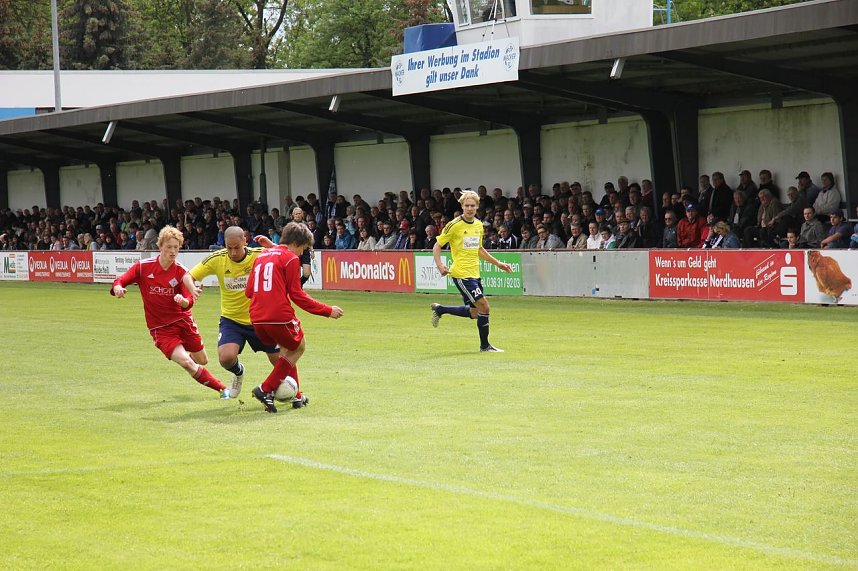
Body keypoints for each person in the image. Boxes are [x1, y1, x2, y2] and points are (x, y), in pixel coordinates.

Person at [111, 226, 231, 399]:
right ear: (160, 246)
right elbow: (121, 280)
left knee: (202, 360)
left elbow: (189, 300)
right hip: (160, 328)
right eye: (169, 247)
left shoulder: (181, 272)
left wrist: (185, 301)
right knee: (187, 362)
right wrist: (118, 288)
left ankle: (186, 355)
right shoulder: (144, 267)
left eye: (176, 247)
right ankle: (222, 388)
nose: (173, 251)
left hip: (183, 322)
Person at [244, 222, 344, 413]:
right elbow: (297, 296)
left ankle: (296, 396)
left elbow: (249, 291)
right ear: (298, 243)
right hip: (278, 315)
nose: (301, 254)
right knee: (299, 346)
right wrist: (327, 310)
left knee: (287, 350)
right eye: (304, 249)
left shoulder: (261, 256)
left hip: (256, 317)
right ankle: (265, 389)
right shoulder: (291, 259)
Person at [188, 226, 280, 398]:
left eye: (236, 247)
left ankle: (294, 392)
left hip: (260, 318)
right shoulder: (217, 259)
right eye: (228, 247)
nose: (232, 252)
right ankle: (239, 373)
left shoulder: (259, 254)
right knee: (226, 358)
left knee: (280, 362)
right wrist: (191, 287)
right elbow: (189, 275)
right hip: (232, 320)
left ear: (245, 241)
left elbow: (286, 256)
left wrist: (271, 245)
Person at [429, 190, 513, 353]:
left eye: (472, 206)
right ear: (461, 206)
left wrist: (498, 264)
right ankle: (485, 346)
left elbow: (479, 249)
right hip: (461, 274)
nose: (469, 208)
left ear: (477, 207)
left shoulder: (479, 225)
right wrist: (440, 265)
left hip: (475, 274)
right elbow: (437, 245)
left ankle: (440, 309)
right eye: (466, 205)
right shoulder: (453, 225)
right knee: (485, 307)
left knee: (476, 312)